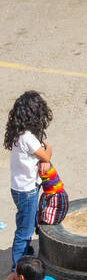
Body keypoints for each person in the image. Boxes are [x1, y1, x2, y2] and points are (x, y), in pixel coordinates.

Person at [4, 90, 53, 269]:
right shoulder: (29, 138)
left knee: (25, 221)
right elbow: (46, 155)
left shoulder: (18, 134)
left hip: (18, 188)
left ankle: (26, 255)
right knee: (24, 231)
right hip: (27, 191)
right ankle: (17, 268)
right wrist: (49, 148)